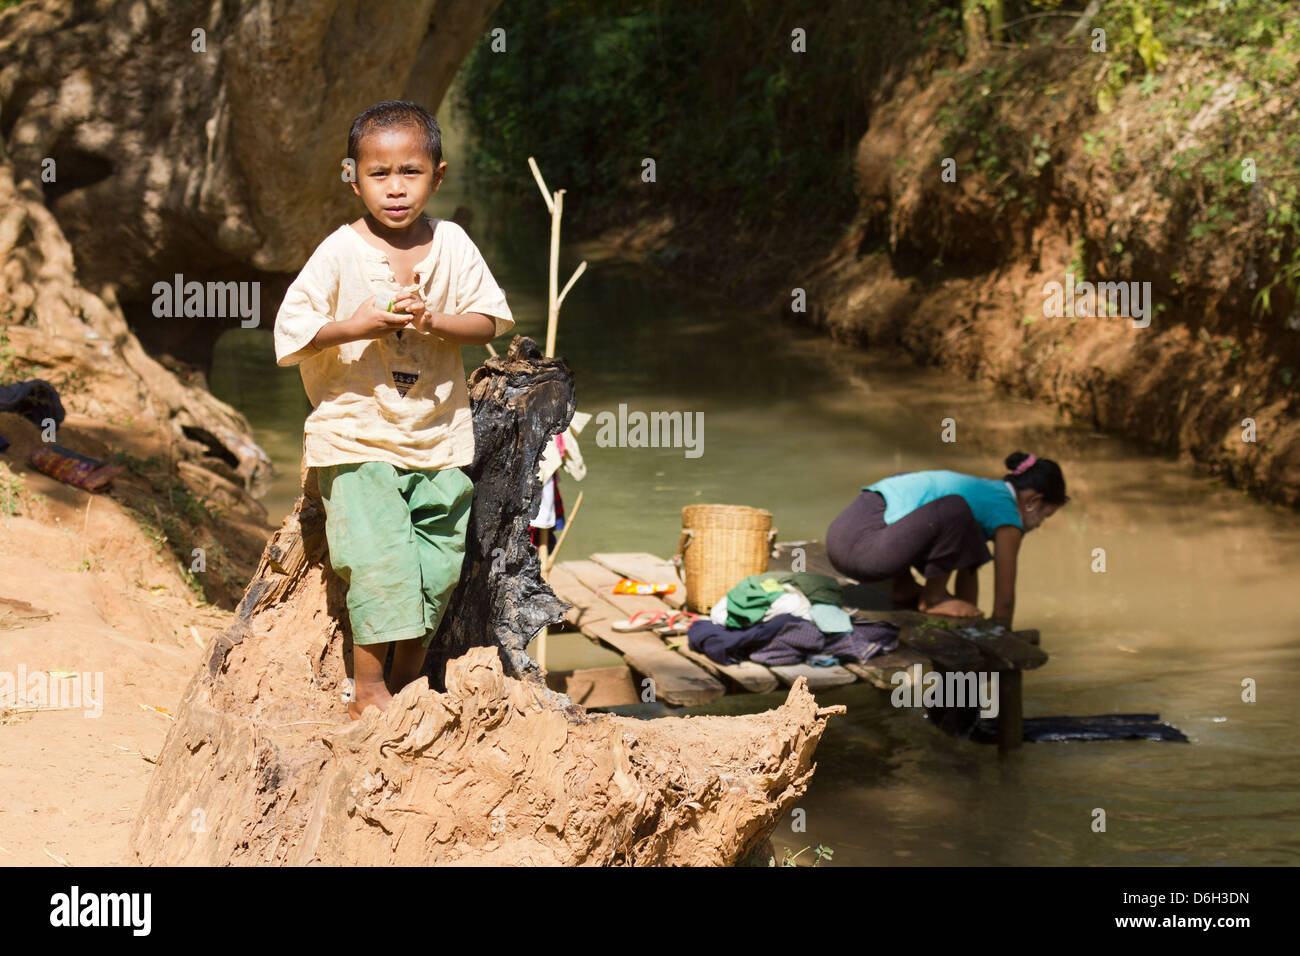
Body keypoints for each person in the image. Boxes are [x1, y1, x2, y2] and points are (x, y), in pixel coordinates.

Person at [273, 101, 515, 719]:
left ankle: (407, 685)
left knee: (437, 570)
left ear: (438, 174)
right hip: (356, 435)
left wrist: (435, 321)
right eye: (379, 174)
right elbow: (291, 333)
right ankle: (368, 692)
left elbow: (489, 320)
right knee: (379, 563)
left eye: (411, 171)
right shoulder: (339, 251)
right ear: (352, 177)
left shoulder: (453, 244)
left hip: (438, 439)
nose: (396, 187)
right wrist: (353, 326)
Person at [825, 453, 1068, 626]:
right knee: (955, 507)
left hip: (840, 541)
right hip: (864, 553)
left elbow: (969, 561)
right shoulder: (1008, 515)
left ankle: (904, 586)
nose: (1039, 525)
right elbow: (1004, 600)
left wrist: (968, 610)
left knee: (939, 502)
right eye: (1045, 516)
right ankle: (933, 598)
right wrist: (1001, 631)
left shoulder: (986, 494)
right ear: (1033, 501)